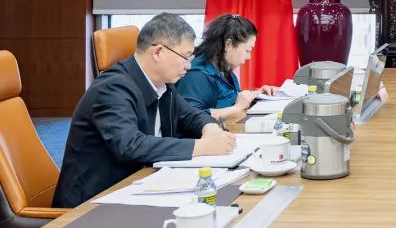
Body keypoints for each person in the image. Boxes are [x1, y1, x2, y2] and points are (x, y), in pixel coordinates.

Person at [53, 13, 237, 208]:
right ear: (158, 52)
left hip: (137, 187)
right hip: (91, 205)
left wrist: (211, 129)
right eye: (185, 56)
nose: (188, 65)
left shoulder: (163, 85)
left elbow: (192, 115)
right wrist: (203, 147)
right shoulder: (112, 88)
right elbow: (130, 146)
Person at [177, 13, 277, 122]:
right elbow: (190, 117)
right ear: (228, 44)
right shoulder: (197, 75)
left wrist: (257, 94)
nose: (248, 57)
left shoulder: (225, 71)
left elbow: (232, 100)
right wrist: (237, 108)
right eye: (247, 50)